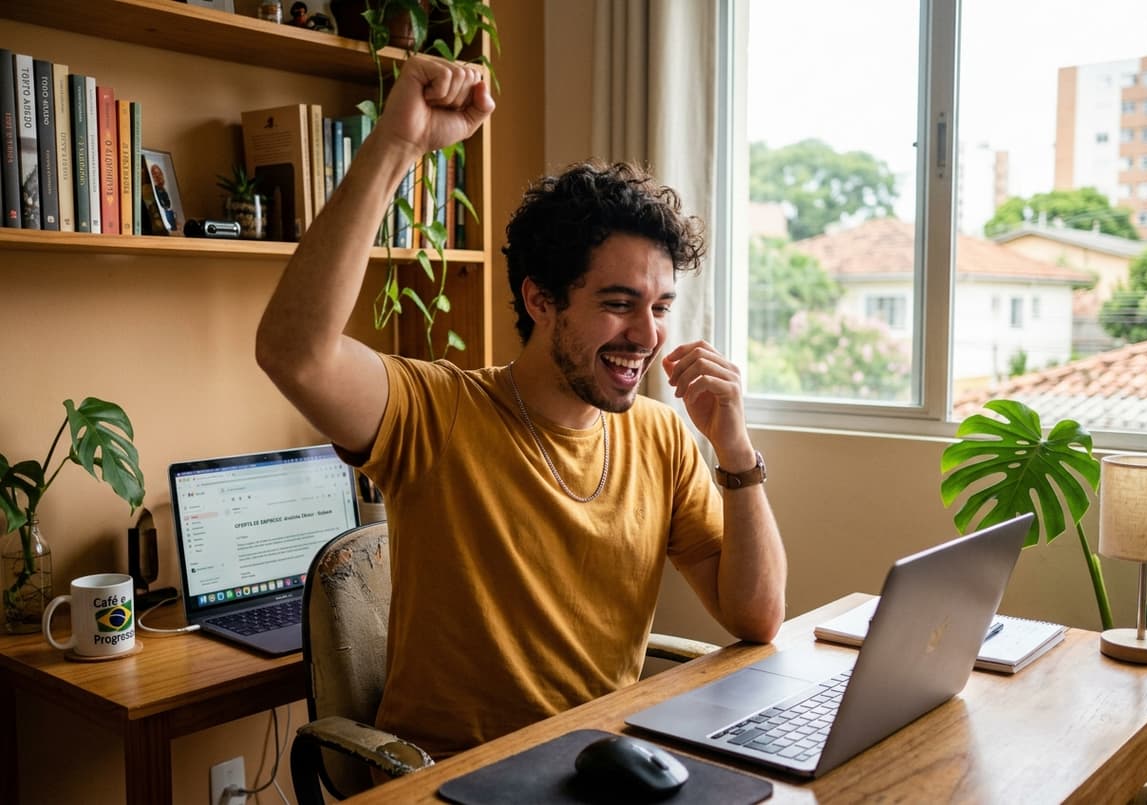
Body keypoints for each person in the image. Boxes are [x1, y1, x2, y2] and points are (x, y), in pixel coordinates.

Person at [256, 54, 787, 762]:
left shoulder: (660, 438)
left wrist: (735, 450)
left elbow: (756, 617)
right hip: (457, 781)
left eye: (660, 306)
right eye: (618, 303)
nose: (648, 335)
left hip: (605, 769)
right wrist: (399, 146)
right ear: (541, 300)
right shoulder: (438, 412)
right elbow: (295, 352)